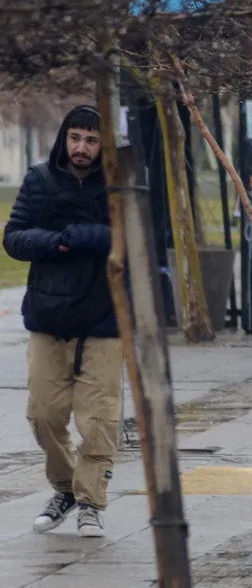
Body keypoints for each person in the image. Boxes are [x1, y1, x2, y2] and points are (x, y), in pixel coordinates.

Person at [3, 105, 120, 538]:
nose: (82, 148)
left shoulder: (118, 187)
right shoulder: (39, 180)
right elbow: (13, 237)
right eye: (76, 138)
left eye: (91, 140)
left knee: (98, 421)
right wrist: (58, 242)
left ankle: (90, 501)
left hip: (104, 320)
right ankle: (66, 487)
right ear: (64, 139)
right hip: (48, 317)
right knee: (44, 415)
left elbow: (142, 234)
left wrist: (89, 235)